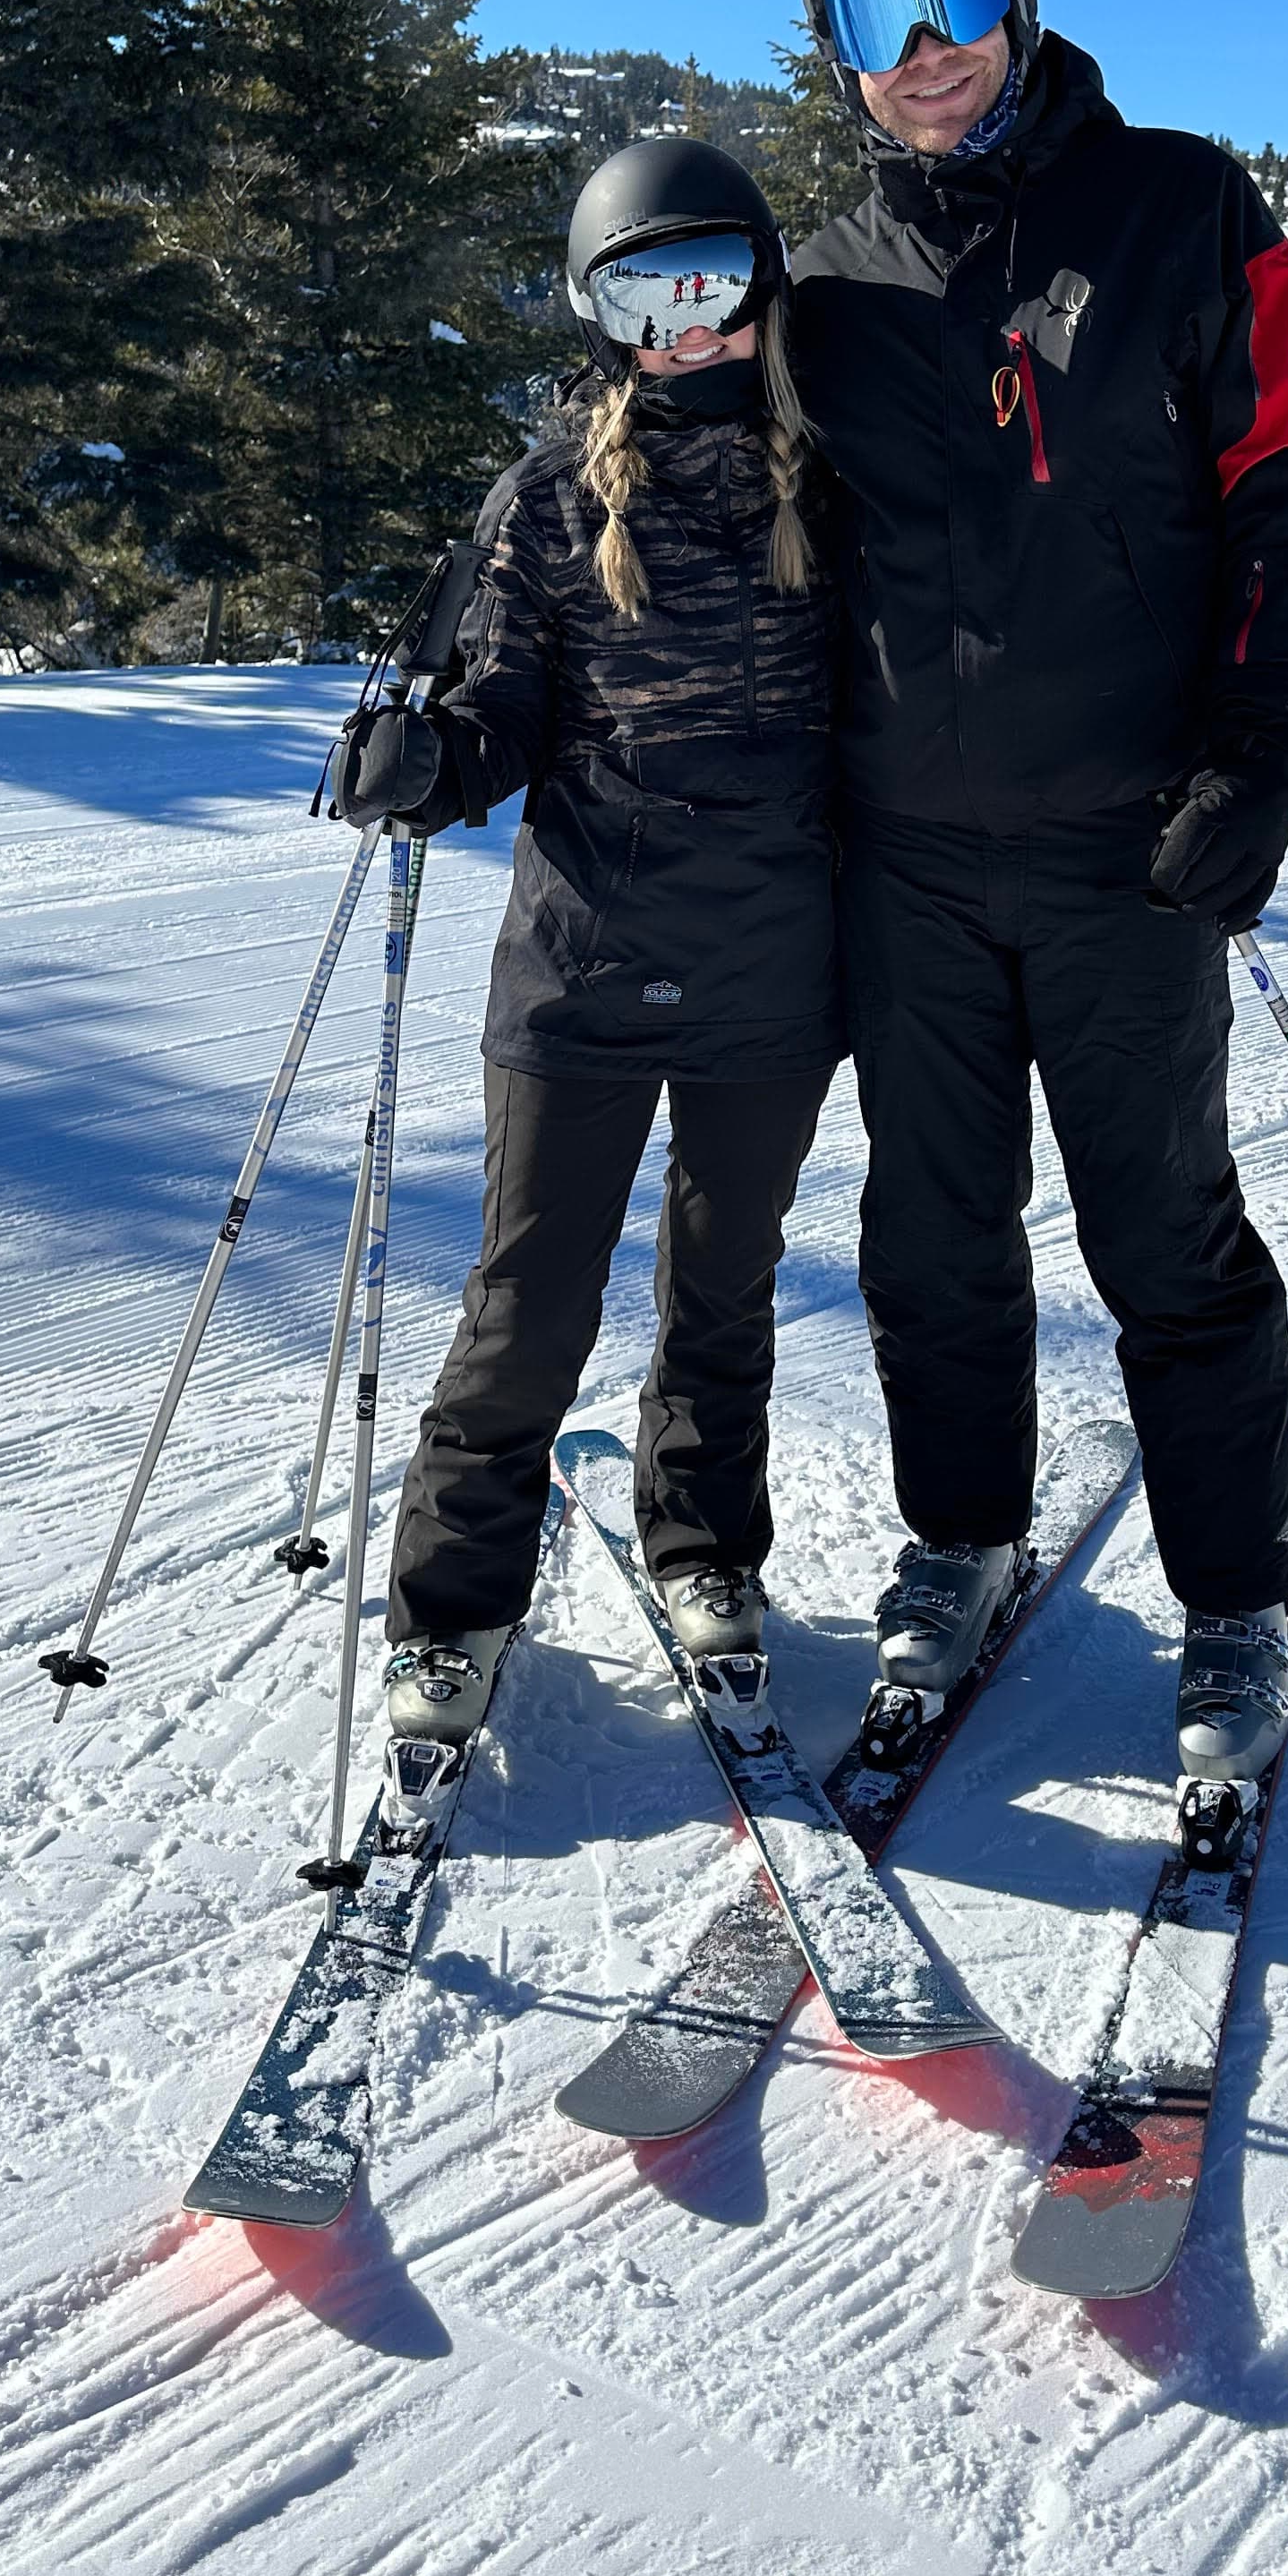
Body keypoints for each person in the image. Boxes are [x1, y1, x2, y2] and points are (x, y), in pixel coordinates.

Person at [785, 0, 1288, 1788]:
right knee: (930, 1231)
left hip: (1130, 840)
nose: (923, 46)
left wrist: (1265, 740)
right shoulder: (830, 287)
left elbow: (1286, 476)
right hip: (909, 855)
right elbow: (661, 483)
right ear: (837, 60)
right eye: (871, 15)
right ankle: (959, 1538)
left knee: (1162, 1229)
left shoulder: (1182, 205)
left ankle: (1235, 1597)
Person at [336, 140, 840, 1760]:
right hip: (584, 963)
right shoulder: (551, 496)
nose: (687, 329)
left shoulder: (837, 481)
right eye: (645, 292)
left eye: (715, 284)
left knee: (724, 1288)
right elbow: (500, 702)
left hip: (776, 954)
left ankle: (704, 1552)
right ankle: (452, 1608)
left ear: (766, 285)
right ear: (598, 312)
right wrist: (431, 759)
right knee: (528, 1296)